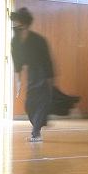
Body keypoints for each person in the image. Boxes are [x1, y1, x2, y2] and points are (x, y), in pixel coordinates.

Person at [10, 7, 79, 142]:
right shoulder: (15, 41)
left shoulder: (39, 40)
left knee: (41, 102)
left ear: (24, 23)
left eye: (17, 21)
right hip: (32, 73)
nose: (15, 24)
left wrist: (51, 81)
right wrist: (18, 82)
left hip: (43, 73)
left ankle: (36, 133)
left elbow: (48, 61)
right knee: (29, 105)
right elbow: (17, 62)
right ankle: (40, 123)